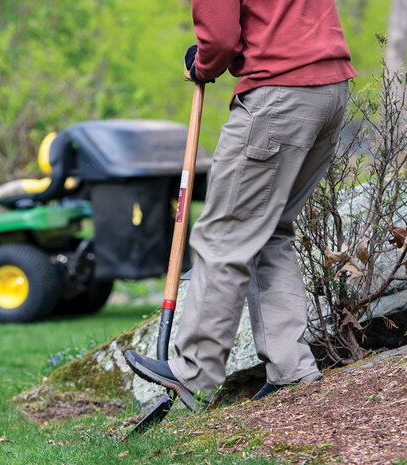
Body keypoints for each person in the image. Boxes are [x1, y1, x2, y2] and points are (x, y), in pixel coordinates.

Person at [125, 0, 357, 411]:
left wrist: (204, 64)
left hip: (280, 94)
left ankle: (194, 372)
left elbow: (219, 40)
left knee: (223, 237)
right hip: (330, 89)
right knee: (270, 232)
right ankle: (292, 369)